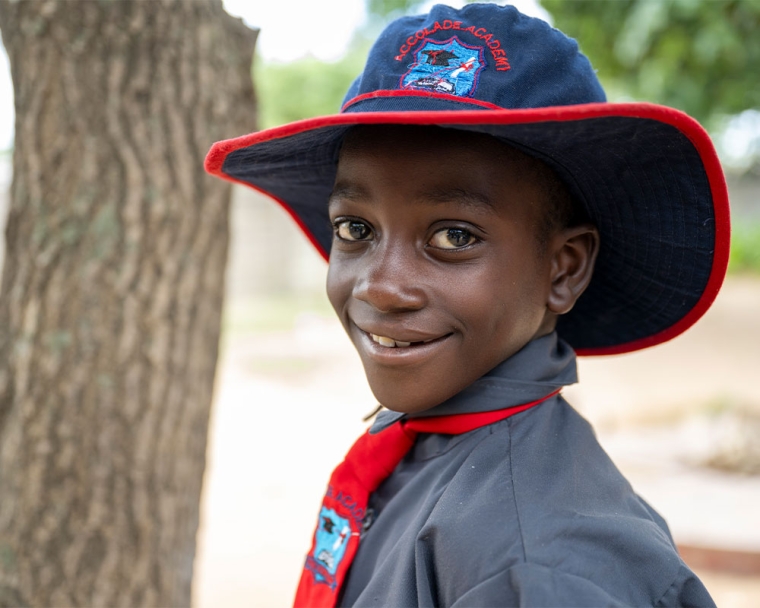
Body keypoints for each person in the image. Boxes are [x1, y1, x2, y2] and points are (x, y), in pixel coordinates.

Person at [206, 3, 729, 606]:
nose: (380, 286)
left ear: (564, 269)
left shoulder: (539, 564)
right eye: (355, 228)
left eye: (454, 236)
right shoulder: (432, 449)